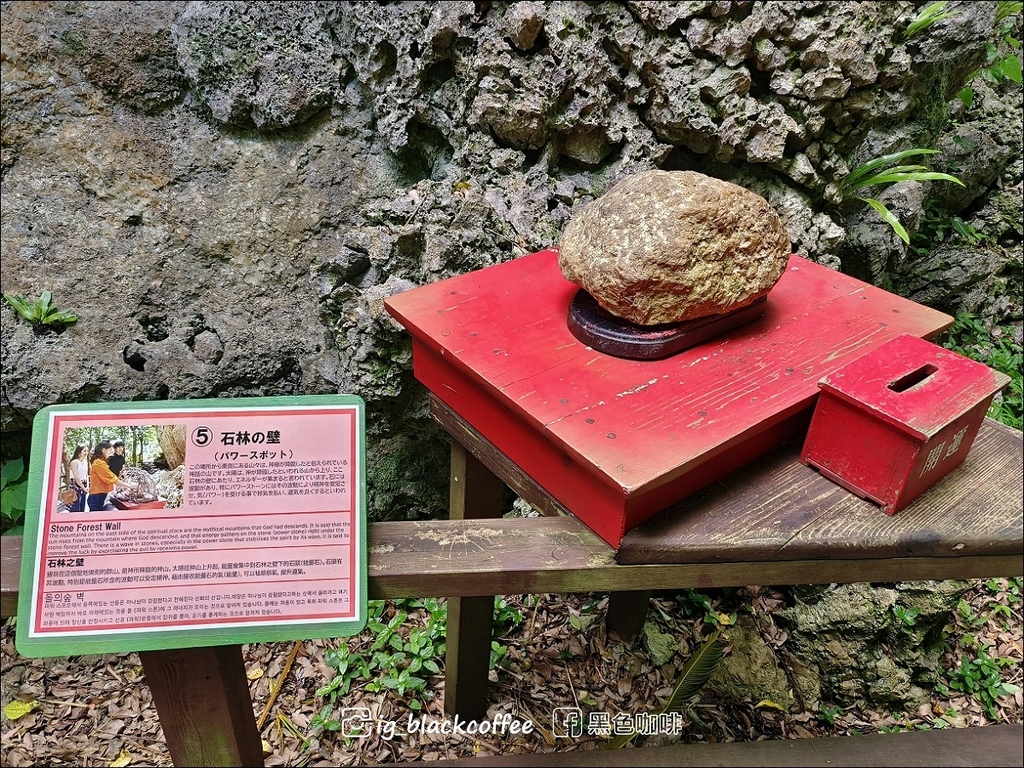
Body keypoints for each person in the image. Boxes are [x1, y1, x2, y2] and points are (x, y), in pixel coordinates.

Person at [87, 441, 134, 511]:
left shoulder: (100, 462)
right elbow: (111, 478)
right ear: (103, 450)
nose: (110, 452)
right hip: (97, 497)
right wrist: (129, 486)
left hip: (100, 495)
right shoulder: (98, 463)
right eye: (109, 450)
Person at [68, 444, 89, 513]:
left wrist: (87, 487)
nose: (86, 453)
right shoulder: (74, 462)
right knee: (75, 507)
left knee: (82, 507)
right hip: (76, 486)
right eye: (84, 451)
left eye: (87, 451)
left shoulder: (85, 462)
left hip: (84, 485)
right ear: (79, 452)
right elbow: (76, 477)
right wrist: (83, 488)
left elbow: (86, 475)